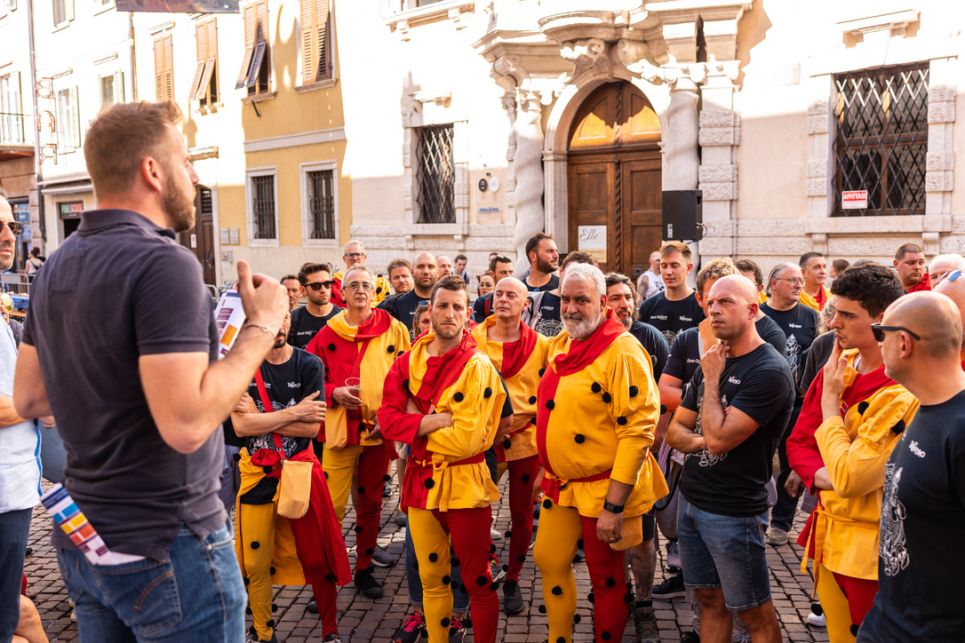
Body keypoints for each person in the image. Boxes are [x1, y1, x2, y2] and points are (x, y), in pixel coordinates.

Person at [13, 102, 289, 640]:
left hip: (85, 531)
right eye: (186, 160)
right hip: (168, 539)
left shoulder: (57, 265)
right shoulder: (165, 262)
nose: (195, 174)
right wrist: (262, 327)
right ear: (153, 170)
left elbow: (30, 399)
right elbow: (186, 425)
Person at [533, 263, 668, 643]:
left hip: (604, 488)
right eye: (565, 299)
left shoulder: (623, 351)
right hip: (562, 484)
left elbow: (638, 431)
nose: (571, 308)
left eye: (581, 299)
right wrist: (547, 466)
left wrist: (614, 505)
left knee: (606, 576)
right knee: (549, 558)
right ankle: (559, 637)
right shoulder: (563, 342)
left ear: (603, 301)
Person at [786, 264, 918, 642]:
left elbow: (857, 476)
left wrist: (839, 470)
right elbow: (799, 442)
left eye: (847, 315)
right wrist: (826, 476)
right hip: (829, 535)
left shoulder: (902, 385)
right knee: (838, 633)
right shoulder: (838, 364)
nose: (834, 323)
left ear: (882, 319)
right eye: (834, 312)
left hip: (872, 550)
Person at [667, 275, 794, 643]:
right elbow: (676, 431)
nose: (714, 310)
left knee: (753, 612)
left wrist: (710, 380)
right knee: (709, 599)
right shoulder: (714, 360)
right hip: (692, 500)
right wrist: (703, 441)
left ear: (753, 310)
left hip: (734, 510)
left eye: (726, 302)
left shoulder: (767, 370)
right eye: (710, 303)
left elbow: (721, 439)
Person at [379, 276, 506, 643]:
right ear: (429, 311)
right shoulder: (407, 363)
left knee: (477, 580)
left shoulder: (478, 366)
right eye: (442, 306)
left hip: (465, 484)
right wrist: (434, 419)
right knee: (431, 579)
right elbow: (386, 421)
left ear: (468, 314)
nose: (448, 313)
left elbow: (466, 440)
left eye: (456, 307)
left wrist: (412, 425)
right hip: (420, 486)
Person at [230, 313, 350, 643]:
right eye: (268, 321)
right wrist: (295, 412)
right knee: (255, 561)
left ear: (289, 321)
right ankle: (263, 632)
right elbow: (241, 428)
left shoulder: (309, 365)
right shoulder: (240, 367)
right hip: (256, 473)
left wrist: (260, 417)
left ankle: (330, 631)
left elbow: (312, 429)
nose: (278, 327)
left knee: (316, 556)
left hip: (300, 469)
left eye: (282, 319)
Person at [858, 292, 965, 642]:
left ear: (903, 343)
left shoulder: (960, 429)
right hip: (888, 622)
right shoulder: (926, 407)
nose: (876, 342)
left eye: (880, 332)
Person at [306, 266, 411, 600]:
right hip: (340, 430)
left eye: (367, 285)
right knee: (331, 507)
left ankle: (364, 568)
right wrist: (333, 391)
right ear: (344, 293)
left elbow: (406, 376)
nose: (361, 291)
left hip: (379, 432)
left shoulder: (394, 330)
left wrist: (392, 416)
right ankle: (327, 576)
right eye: (354, 285)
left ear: (375, 292)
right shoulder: (327, 333)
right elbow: (309, 380)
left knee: (370, 503)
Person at [471, 277, 549, 615]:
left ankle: (514, 576)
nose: (503, 299)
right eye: (498, 293)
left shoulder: (543, 345)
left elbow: (550, 395)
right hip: (483, 440)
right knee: (476, 508)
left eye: (511, 295)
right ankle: (485, 569)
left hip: (525, 440)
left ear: (525, 304)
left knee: (521, 514)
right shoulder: (472, 339)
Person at [603, 271, 669, 641]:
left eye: (627, 297)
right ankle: (613, 595)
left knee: (644, 540)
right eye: (615, 298)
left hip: (639, 460)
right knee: (606, 539)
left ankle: (643, 601)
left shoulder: (650, 338)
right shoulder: (589, 341)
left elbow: (665, 396)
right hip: (598, 464)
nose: (623, 304)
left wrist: (653, 443)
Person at [0, 195, 41, 643]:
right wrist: (42, 401)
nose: (9, 236)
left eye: (11, 225)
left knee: (15, 615)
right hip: (3, 494)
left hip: (13, 489)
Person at [760, 262, 820, 545]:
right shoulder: (758, 315)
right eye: (791, 280)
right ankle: (756, 513)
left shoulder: (810, 316)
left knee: (790, 462)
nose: (798, 284)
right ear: (773, 284)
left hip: (797, 402)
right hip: (761, 401)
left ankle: (782, 522)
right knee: (757, 458)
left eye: (800, 280)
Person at [638, 241, 704, 346]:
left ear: (689, 268)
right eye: (664, 266)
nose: (668, 272)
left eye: (674, 266)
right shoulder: (648, 307)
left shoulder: (701, 306)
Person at [605, 272, 669, 380]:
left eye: (628, 298)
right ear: (601, 303)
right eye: (615, 298)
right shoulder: (591, 337)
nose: (625, 305)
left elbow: (665, 384)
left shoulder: (651, 336)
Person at [380, 251, 437, 334]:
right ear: (412, 271)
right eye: (420, 267)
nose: (426, 271)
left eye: (431, 267)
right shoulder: (393, 304)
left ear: (438, 272)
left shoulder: (449, 303)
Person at [288, 262, 341, 349]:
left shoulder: (344, 317)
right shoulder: (292, 319)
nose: (323, 290)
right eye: (316, 286)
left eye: (327, 284)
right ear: (303, 290)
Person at [522, 233, 562, 336]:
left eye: (556, 251)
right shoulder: (519, 289)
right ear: (533, 256)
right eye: (550, 251)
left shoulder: (561, 287)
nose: (556, 256)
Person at [331, 240, 390, 307]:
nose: (355, 258)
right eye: (351, 255)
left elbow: (385, 307)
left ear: (364, 257)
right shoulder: (335, 283)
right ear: (344, 258)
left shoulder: (380, 284)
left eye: (358, 254)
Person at [472, 255, 515, 323]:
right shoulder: (482, 302)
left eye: (511, 272)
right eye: (503, 272)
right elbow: (480, 331)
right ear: (492, 274)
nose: (508, 276)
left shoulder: (520, 300)